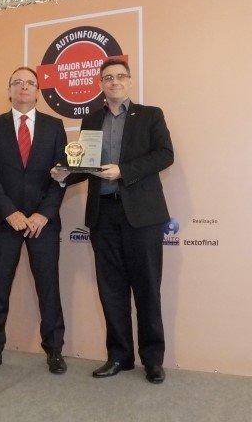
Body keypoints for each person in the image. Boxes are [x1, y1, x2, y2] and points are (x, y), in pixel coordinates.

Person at [51, 58, 174, 384]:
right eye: (108, 78)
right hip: (103, 214)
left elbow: (165, 154)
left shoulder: (150, 115)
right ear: (101, 84)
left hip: (142, 215)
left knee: (147, 289)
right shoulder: (91, 120)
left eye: (120, 76)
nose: (114, 82)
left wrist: (124, 171)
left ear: (129, 81)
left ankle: (153, 360)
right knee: (111, 291)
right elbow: (87, 164)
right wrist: (65, 174)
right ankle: (119, 356)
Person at [0, 66, 68, 376]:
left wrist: (44, 213)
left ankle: (54, 350)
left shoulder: (55, 127)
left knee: (49, 288)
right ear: (10, 90)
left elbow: (62, 174)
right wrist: (9, 211)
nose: (24, 87)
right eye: (18, 82)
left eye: (30, 83)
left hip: (43, 222)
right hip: (6, 222)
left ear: (38, 91)